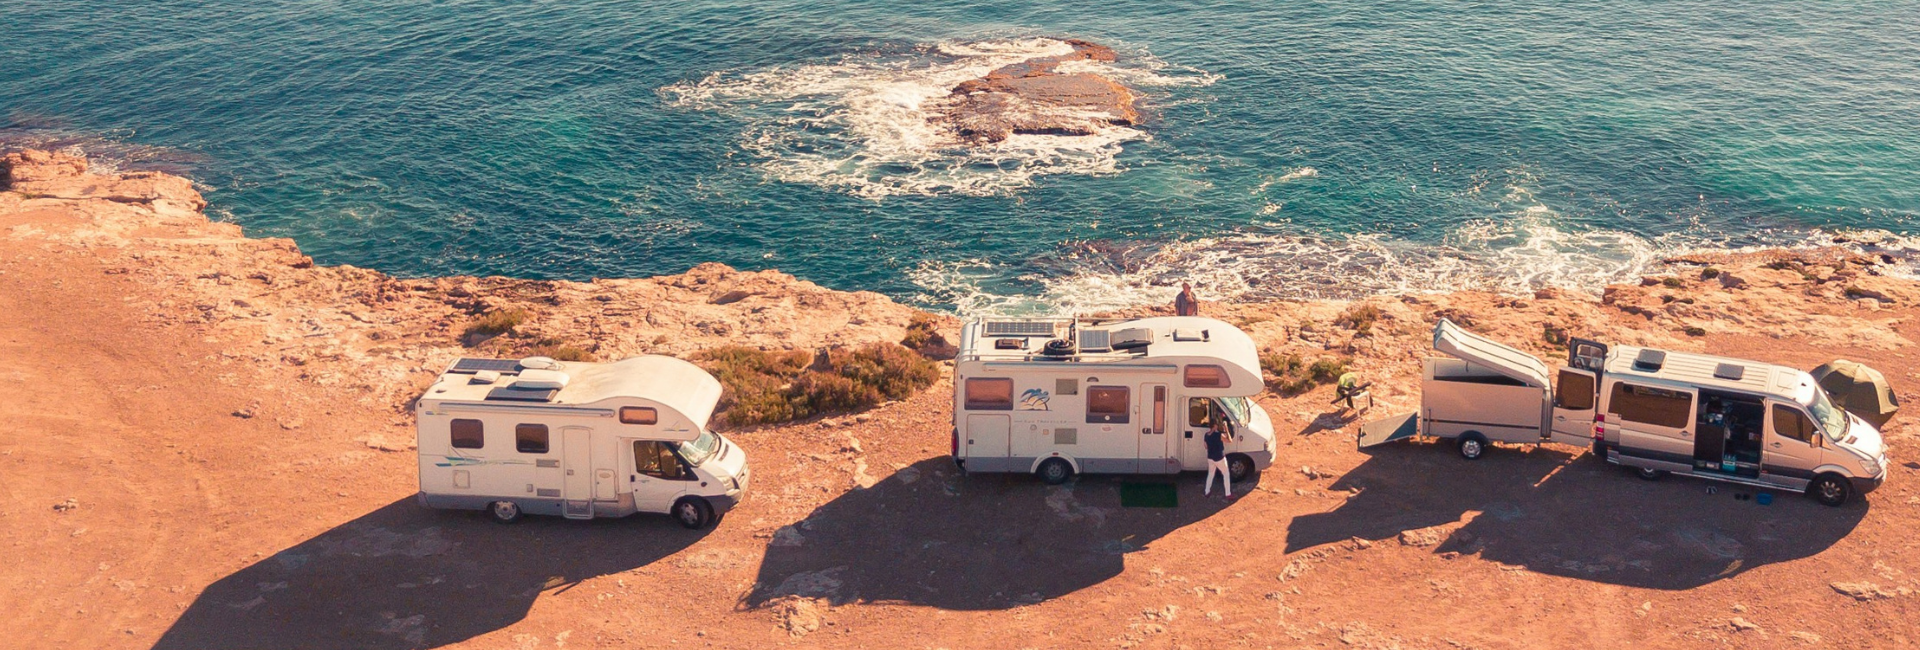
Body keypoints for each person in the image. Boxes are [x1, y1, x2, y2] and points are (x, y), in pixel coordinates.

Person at [1203, 420, 1234, 499]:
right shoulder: (1218, 435)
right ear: (1214, 426)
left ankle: (1207, 491)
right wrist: (1226, 429)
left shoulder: (1206, 435)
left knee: (1210, 474)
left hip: (1210, 458)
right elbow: (1230, 440)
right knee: (1226, 474)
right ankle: (1228, 494)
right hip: (1219, 458)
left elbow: (1206, 446)